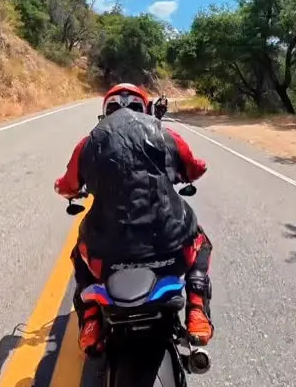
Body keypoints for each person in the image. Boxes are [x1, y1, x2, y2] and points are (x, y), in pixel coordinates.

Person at [55, 83, 214, 356]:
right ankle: (197, 308)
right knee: (201, 240)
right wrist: (179, 173)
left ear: (104, 113)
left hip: (107, 255)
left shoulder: (89, 142)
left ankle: (91, 318)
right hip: (170, 250)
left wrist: (70, 190)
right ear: (147, 109)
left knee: (79, 253)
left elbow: (66, 186)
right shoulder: (165, 133)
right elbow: (195, 168)